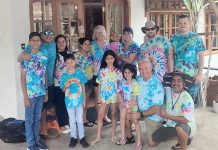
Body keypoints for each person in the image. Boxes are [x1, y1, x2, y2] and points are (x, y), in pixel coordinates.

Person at [17, 26, 56, 136]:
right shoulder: (37, 46)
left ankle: (40, 132)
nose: (48, 35)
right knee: (34, 114)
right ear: (42, 35)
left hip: (48, 82)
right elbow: (20, 58)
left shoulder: (53, 44)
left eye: (51, 33)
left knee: (45, 108)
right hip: (34, 86)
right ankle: (41, 131)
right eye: (46, 33)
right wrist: (23, 55)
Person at [151, 71, 196, 150]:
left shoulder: (187, 98)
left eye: (179, 80)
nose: (176, 83)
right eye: (173, 80)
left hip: (186, 125)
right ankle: (182, 138)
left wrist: (166, 116)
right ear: (171, 82)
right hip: (170, 124)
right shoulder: (168, 90)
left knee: (180, 128)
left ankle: (183, 143)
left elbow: (185, 120)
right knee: (153, 139)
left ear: (184, 84)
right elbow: (157, 80)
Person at [20, 32, 48, 150]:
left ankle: (37, 140)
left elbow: (45, 74)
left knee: (37, 119)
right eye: (33, 40)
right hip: (30, 94)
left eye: (38, 40)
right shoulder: (25, 57)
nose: (36, 42)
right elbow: (22, 78)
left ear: (40, 42)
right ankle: (31, 144)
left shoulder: (43, 57)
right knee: (29, 120)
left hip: (41, 93)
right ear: (30, 42)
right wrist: (25, 96)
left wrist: (46, 90)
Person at [128, 58, 164, 146]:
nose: (143, 71)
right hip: (139, 110)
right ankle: (129, 136)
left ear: (151, 68)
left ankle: (166, 129)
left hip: (153, 115)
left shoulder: (156, 84)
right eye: (140, 69)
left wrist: (140, 114)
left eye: (146, 68)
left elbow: (157, 108)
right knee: (125, 115)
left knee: (152, 143)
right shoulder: (138, 79)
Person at [170, 14, 205, 105]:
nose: (183, 25)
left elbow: (201, 56)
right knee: (177, 104)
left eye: (185, 23)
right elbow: (170, 56)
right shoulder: (173, 38)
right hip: (177, 78)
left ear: (189, 23)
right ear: (178, 24)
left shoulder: (196, 38)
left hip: (192, 77)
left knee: (190, 105)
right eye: (180, 23)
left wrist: (200, 74)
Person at [91, 50, 123, 145]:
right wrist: (99, 98)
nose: (109, 60)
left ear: (114, 59)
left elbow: (119, 85)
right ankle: (98, 136)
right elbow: (99, 84)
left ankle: (113, 135)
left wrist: (120, 98)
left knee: (113, 114)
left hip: (114, 96)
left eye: (111, 58)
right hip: (104, 96)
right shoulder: (101, 71)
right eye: (107, 58)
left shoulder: (117, 71)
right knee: (100, 115)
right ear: (105, 59)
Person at [60, 54, 89, 148]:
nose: (70, 64)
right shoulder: (64, 75)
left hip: (79, 101)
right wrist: (66, 86)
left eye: (72, 61)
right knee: (72, 120)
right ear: (65, 64)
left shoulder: (79, 73)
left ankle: (82, 137)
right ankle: (73, 137)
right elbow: (63, 90)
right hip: (69, 102)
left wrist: (84, 100)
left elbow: (83, 87)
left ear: (75, 62)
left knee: (80, 120)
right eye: (67, 62)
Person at [116, 64, 142, 150]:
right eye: (125, 72)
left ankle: (139, 141)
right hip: (124, 103)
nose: (127, 74)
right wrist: (121, 103)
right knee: (122, 116)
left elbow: (135, 97)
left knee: (135, 121)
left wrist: (130, 107)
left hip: (133, 104)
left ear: (133, 73)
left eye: (129, 72)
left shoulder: (135, 83)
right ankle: (123, 136)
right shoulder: (122, 82)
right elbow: (119, 92)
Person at [90, 25, 111, 124]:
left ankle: (105, 116)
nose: (100, 34)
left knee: (106, 97)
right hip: (96, 74)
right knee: (98, 97)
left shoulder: (108, 45)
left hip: (107, 74)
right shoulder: (92, 45)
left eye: (101, 32)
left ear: (104, 33)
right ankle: (99, 117)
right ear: (95, 34)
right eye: (97, 33)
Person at [74, 37, 95, 127]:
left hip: (89, 80)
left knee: (85, 101)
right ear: (81, 45)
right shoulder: (76, 55)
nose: (87, 46)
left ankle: (84, 118)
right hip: (79, 82)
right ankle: (77, 120)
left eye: (89, 44)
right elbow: (72, 69)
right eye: (85, 44)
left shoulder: (90, 55)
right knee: (79, 101)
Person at [53, 34, 70, 133]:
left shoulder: (69, 54)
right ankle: (61, 124)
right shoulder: (54, 55)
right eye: (59, 42)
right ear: (56, 44)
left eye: (63, 41)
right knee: (60, 105)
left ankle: (66, 122)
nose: (61, 44)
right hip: (58, 84)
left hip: (69, 84)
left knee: (67, 104)